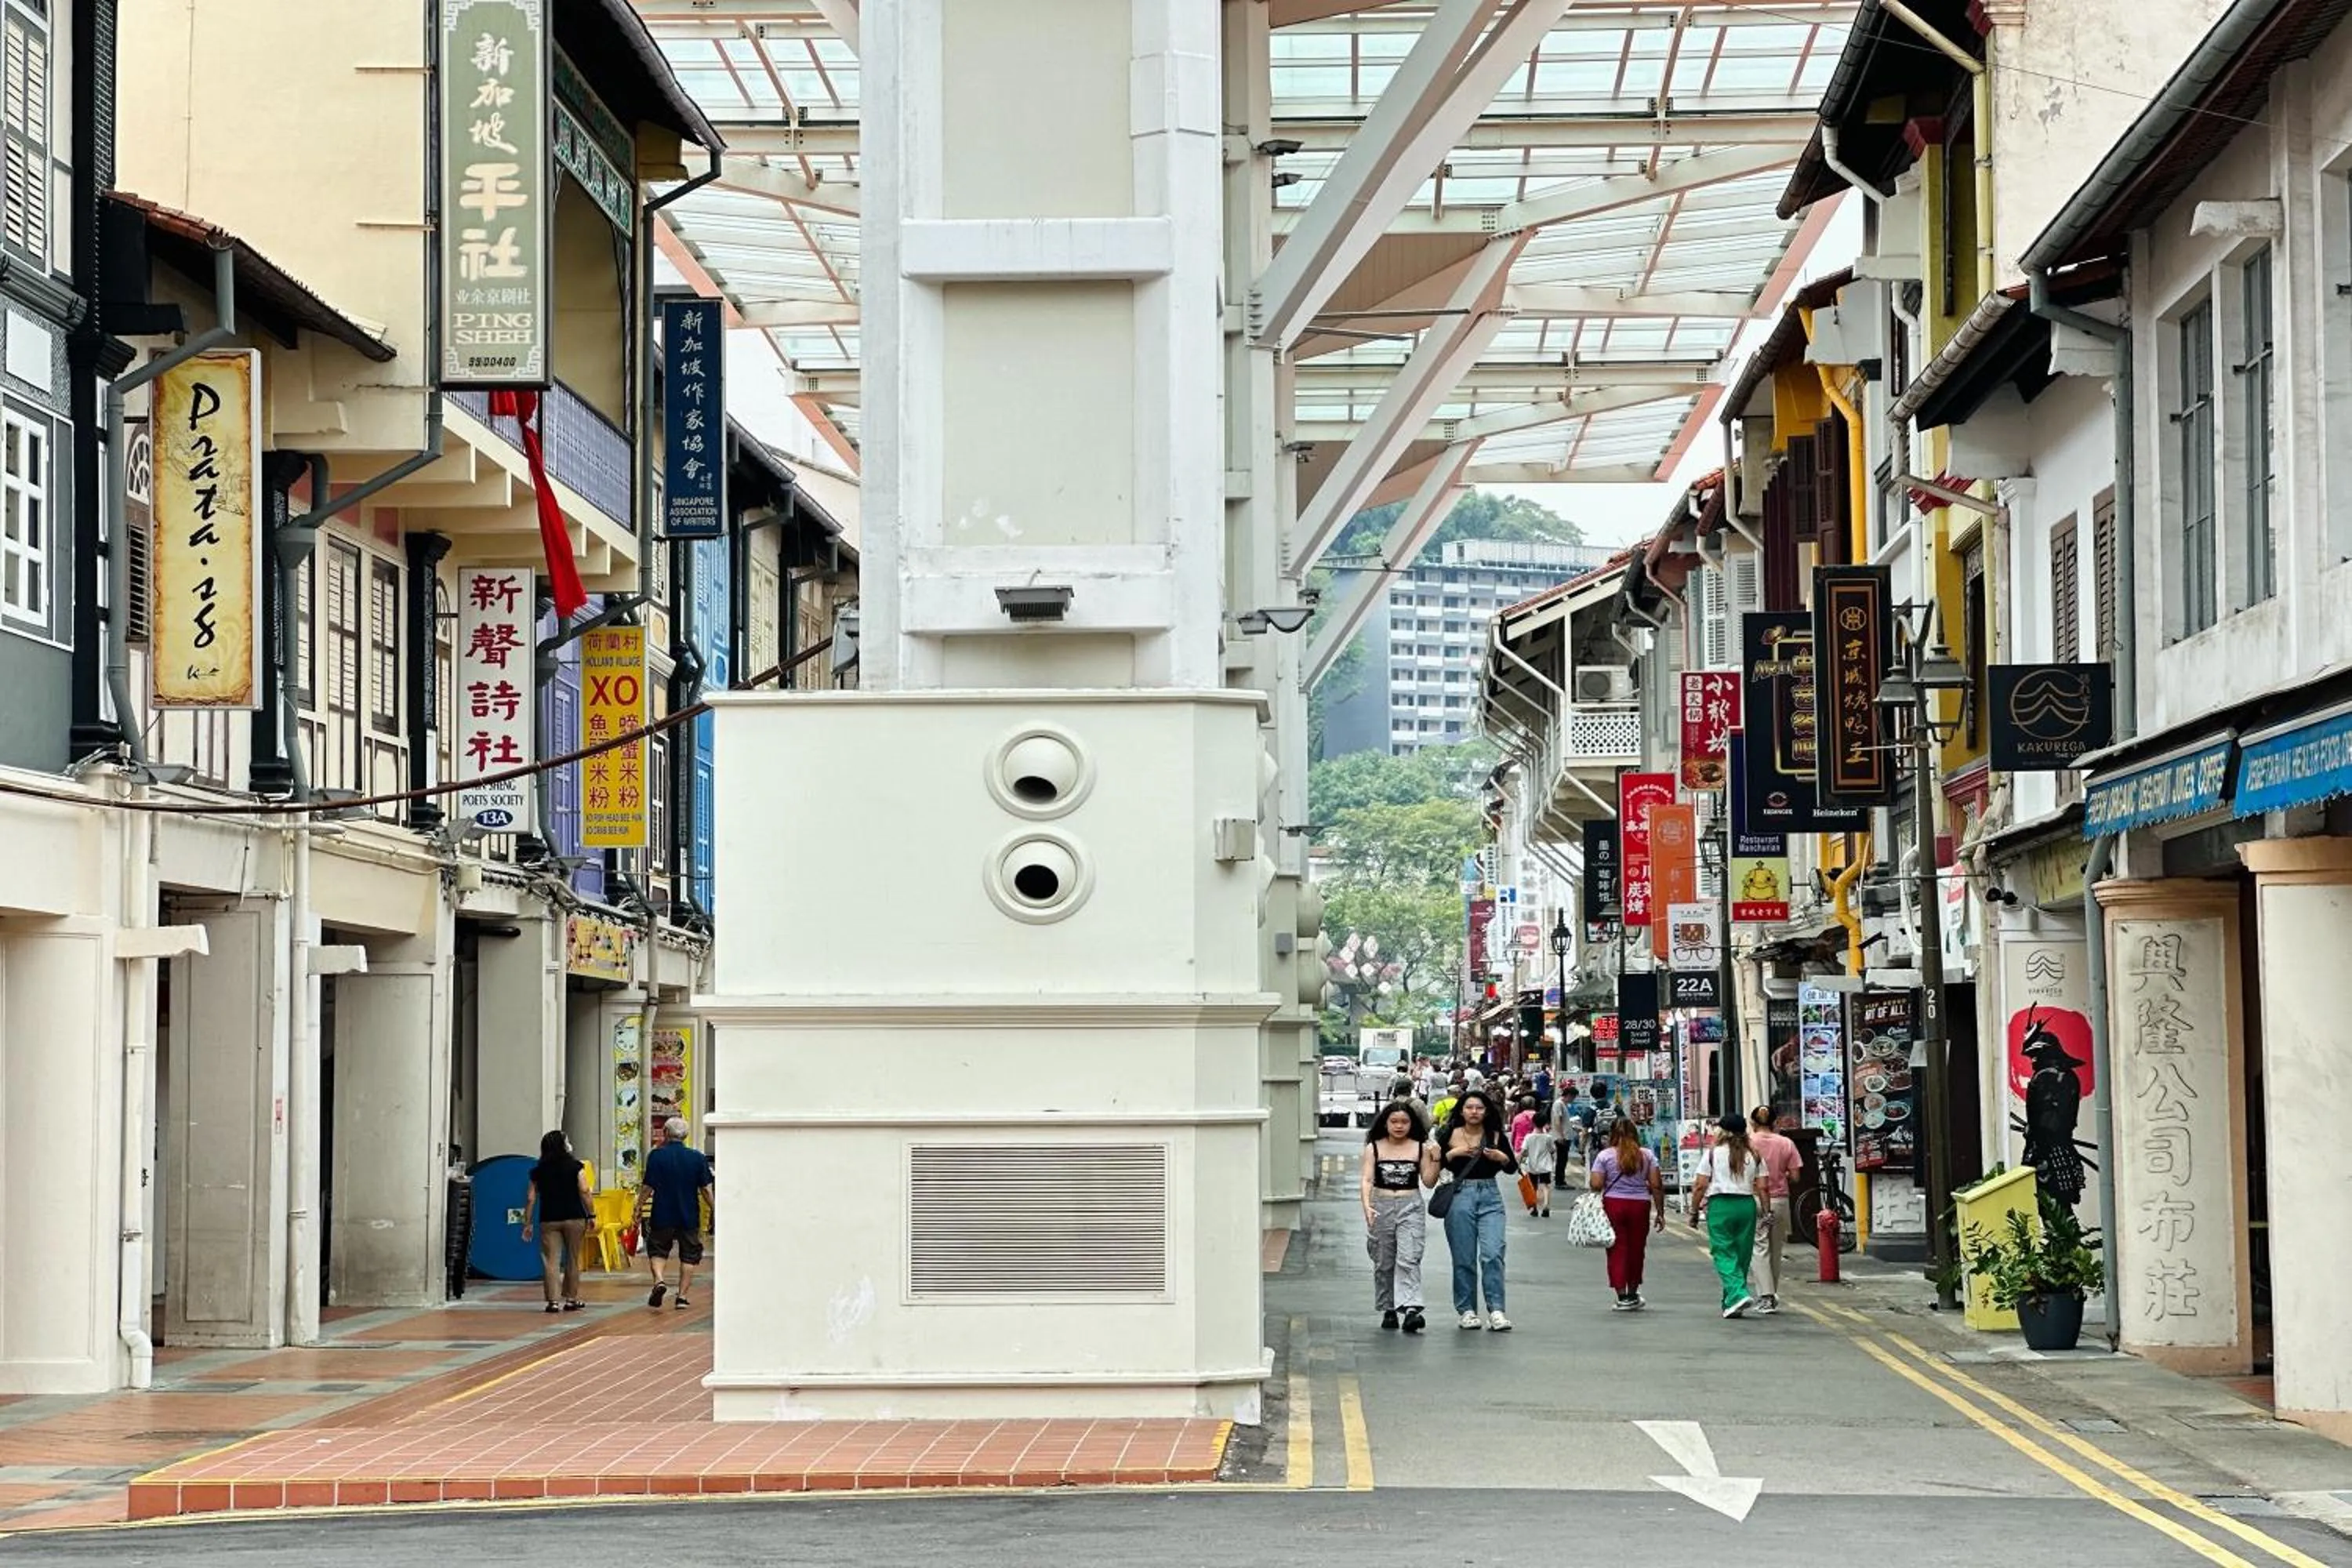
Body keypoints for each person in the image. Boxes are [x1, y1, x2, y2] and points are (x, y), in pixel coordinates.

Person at [1433, 1088, 1519, 1330]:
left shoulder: (1494, 1134)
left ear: (1486, 1111)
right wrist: (1453, 1152)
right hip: (1460, 1195)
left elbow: (1511, 1167)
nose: (1474, 1112)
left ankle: (1497, 1311)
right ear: (1461, 1110)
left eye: (1479, 1108)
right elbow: (1432, 1165)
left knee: (1493, 1254)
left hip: (1491, 1195)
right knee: (1464, 1257)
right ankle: (1467, 1310)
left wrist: (1501, 1157)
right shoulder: (1449, 1132)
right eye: (1470, 1107)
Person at [1359, 1101, 1438, 1334]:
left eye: (1404, 1121)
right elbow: (1367, 1179)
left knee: (1409, 1256)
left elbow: (1429, 1181)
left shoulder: (1419, 1148)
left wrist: (1436, 1158)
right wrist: (1366, 1205)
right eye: (1394, 1121)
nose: (1399, 1126)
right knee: (1383, 1260)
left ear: (1412, 1124)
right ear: (1385, 1123)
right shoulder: (1374, 1148)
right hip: (1380, 1203)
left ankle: (1412, 1308)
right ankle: (1389, 1308)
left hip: (1410, 1204)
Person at [1689, 1113, 1762, 1319]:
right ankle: (1731, 1302)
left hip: (1721, 1205)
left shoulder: (1713, 1154)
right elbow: (1763, 1186)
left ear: (1723, 1131)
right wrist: (1766, 1212)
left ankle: (1738, 1293)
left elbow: (1700, 1186)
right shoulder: (1754, 1154)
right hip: (1746, 1205)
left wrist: (1694, 1211)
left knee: (1723, 1252)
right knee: (1741, 1254)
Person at [1588, 1114, 1664, 1309]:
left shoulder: (1604, 1156)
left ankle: (1621, 1295)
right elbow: (1656, 1185)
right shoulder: (1647, 1155)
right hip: (1640, 1206)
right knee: (1637, 1249)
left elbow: (1596, 1184)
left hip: (1613, 1204)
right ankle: (1633, 1292)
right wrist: (1661, 1212)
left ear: (1613, 1134)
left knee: (1616, 1249)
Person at [639, 1117, 715, 1309]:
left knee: (658, 1249)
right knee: (689, 1255)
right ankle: (681, 1297)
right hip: (688, 1213)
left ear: (665, 1132)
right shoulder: (697, 1157)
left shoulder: (656, 1156)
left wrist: (638, 1206)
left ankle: (659, 1280)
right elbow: (706, 1189)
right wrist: (715, 1208)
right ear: (686, 1135)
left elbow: (648, 1187)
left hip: (662, 1212)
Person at [521, 1130, 593, 1314]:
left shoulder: (538, 1171)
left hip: (549, 1219)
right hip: (575, 1218)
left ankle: (552, 1301)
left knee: (551, 1261)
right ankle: (571, 1298)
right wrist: (591, 1214)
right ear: (563, 1145)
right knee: (573, 1259)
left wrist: (527, 1223)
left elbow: (530, 1198)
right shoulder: (576, 1166)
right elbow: (584, 1191)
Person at [1748, 1105, 1803, 1313]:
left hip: (1754, 1199)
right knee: (1775, 1250)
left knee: (1759, 1248)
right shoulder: (1786, 1143)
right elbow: (1796, 1176)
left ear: (1753, 1123)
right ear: (1775, 1122)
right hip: (1779, 1201)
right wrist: (1781, 1176)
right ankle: (1771, 1293)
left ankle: (1766, 1296)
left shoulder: (1747, 1143)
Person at [1519, 1116, 1559, 1218]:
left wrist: (1520, 1163)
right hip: (1545, 1165)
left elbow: (1524, 1151)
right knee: (1546, 1186)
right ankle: (1546, 1207)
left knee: (1534, 1187)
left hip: (1532, 1165)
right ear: (1545, 1124)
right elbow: (1552, 1150)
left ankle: (1535, 1209)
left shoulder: (1528, 1137)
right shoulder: (1548, 1137)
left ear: (1533, 1123)